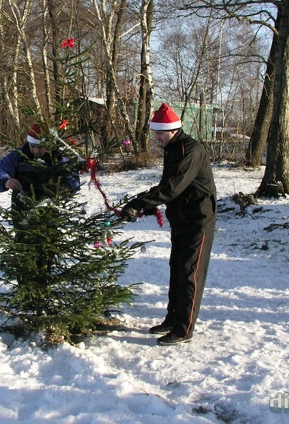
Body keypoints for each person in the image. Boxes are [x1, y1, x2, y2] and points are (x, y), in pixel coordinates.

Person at [120, 103, 216, 346]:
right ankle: (173, 319)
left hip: (198, 221)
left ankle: (184, 329)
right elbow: (168, 186)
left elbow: (172, 187)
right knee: (177, 269)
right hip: (182, 219)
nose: (156, 137)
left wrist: (139, 203)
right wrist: (148, 204)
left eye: (159, 133)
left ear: (172, 130)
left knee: (189, 273)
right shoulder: (173, 148)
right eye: (155, 133)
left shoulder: (189, 150)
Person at [0, 123, 80, 210]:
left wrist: (64, 187)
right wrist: (5, 181)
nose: (36, 151)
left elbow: (73, 182)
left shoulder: (59, 158)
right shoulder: (18, 156)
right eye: (32, 146)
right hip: (22, 214)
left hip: (50, 214)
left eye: (40, 147)